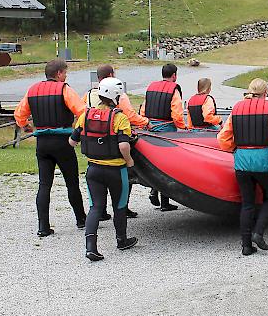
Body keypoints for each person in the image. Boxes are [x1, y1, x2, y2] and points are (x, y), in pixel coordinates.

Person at [217, 78, 268, 256]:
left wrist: (233, 149)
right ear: (266, 93)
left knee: (247, 203)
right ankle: (258, 232)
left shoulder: (236, 109)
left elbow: (223, 138)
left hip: (242, 162)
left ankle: (246, 245)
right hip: (265, 162)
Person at [14, 59, 87, 237]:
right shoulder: (64, 89)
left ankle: (43, 227)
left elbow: (19, 113)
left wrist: (25, 127)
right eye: (65, 73)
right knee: (72, 183)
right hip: (62, 142)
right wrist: (78, 131)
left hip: (42, 144)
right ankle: (81, 219)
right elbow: (83, 111)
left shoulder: (32, 90)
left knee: (44, 185)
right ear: (59, 74)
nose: (66, 76)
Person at [69, 77, 138, 261]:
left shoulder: (86, 115)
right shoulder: (120, 118)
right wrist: (130, 162)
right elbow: (124, 146)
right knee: (120, 206)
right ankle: (121, 240)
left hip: (93, 171)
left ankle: (90, 247)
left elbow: (72, 141)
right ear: (116, 96)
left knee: (95, 208)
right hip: (116, 171)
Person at [84, 64, 147, 219]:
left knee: (97, 177)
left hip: (94, 142)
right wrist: (145, 122)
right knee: (124, 175)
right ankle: (122, 207)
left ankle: (100, 210)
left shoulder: (89, 94)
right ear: (111, 75)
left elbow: (83, 113)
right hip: (115, 140)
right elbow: (130, 116)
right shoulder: (118, 94)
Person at [140, 63, 183, 211]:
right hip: (167, 130)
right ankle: (164, 202)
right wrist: (183, 127)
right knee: (167, 166)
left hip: (150, 128)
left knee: (154, 164)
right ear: (174, 75)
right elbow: (177, 113)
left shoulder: (151, 87)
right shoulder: (174, 90)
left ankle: (153, 189)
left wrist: (145, 123)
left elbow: (143, 108)